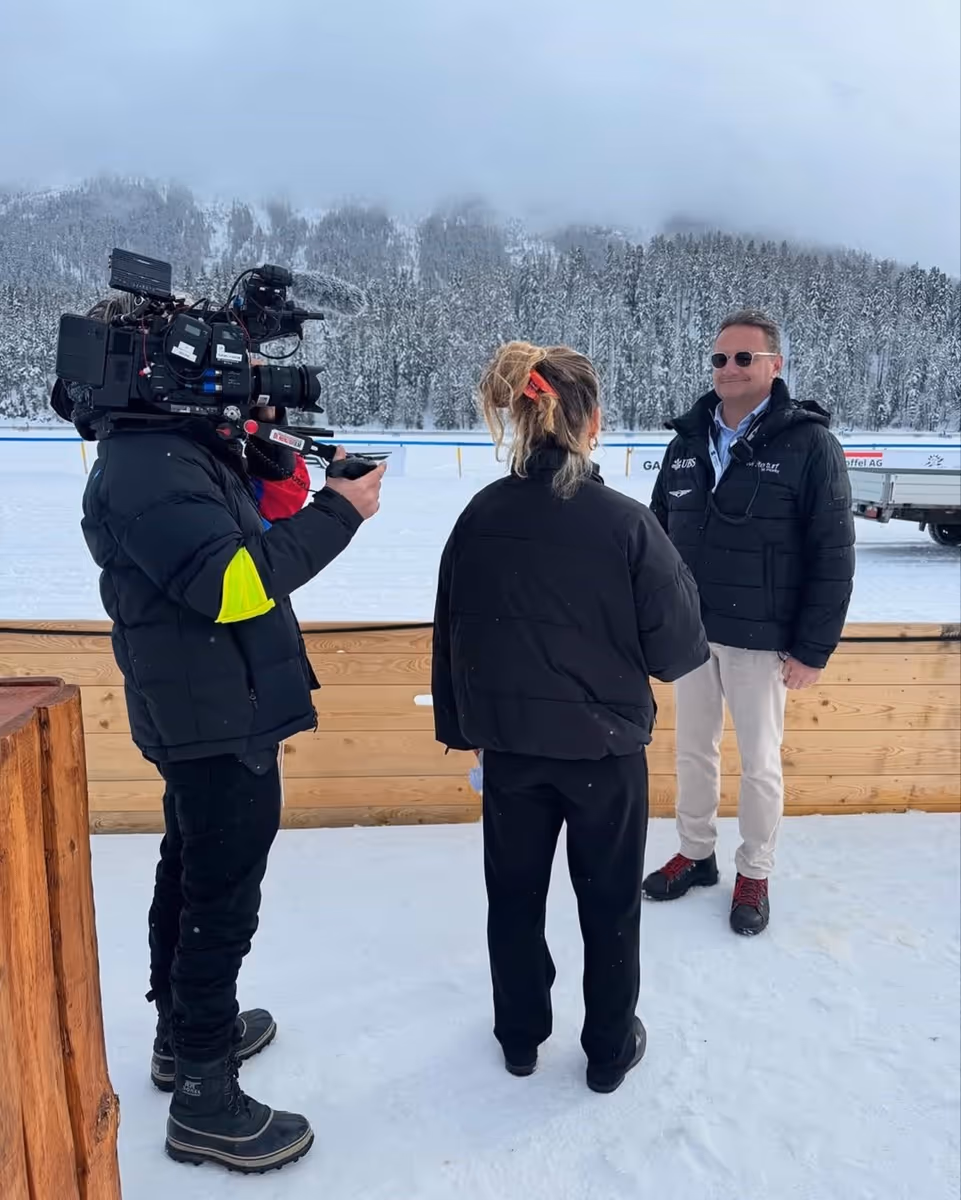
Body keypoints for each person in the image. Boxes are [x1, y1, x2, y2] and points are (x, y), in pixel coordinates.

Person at [55, 291, 386, 1173]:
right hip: (214, 715)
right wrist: (344, 514)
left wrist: (270, 450)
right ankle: (204, 1095)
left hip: (213, 702)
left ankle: (181, 1035)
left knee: (195, 868)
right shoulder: (149, 467)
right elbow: (235, 583)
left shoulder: (170, 451)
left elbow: (251, 526)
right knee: (220, 899)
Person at [431, 341, 709, 1094]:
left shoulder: (480, 514)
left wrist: (465, 728)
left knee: (513, 900)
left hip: (512, 754)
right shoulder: (624, 523)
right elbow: (677, 651)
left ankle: (519, 1037)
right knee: (609, 906)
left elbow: (450, 632)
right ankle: (608, 1050)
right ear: (591, 421)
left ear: (525, 416)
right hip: (604, 753)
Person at [643, 309, 855, 935]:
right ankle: (696, 853)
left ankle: (755, 871)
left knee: (760, 762)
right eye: (719, 358)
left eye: (744, 358)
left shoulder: (809, 443)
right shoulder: (686, 443)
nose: (728, 369)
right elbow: (655, 539)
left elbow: (834, 554)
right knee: (692, 752)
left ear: (774, 365)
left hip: (764, 642)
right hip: (692, 635)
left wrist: (813, 649)